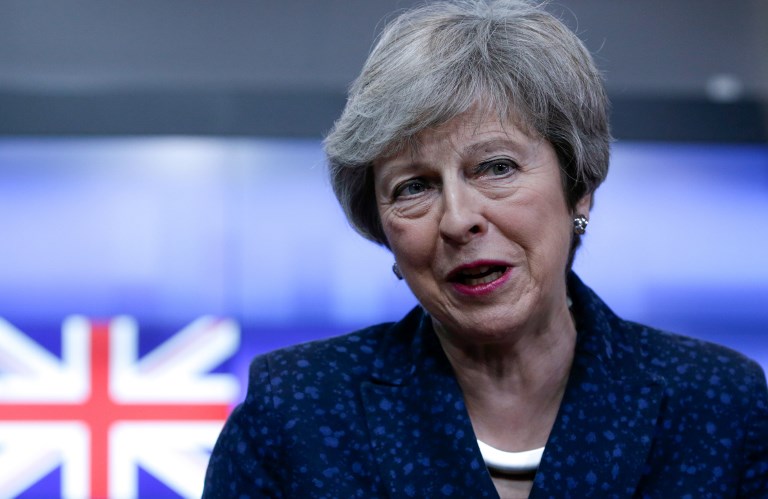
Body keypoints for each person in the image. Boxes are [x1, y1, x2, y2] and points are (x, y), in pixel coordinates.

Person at [203, 1, 768, 497]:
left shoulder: (720, 405)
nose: (458, 220)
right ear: (382, 229)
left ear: (578, 188)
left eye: (496, 168)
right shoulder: (296, 412)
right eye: (414, 187)